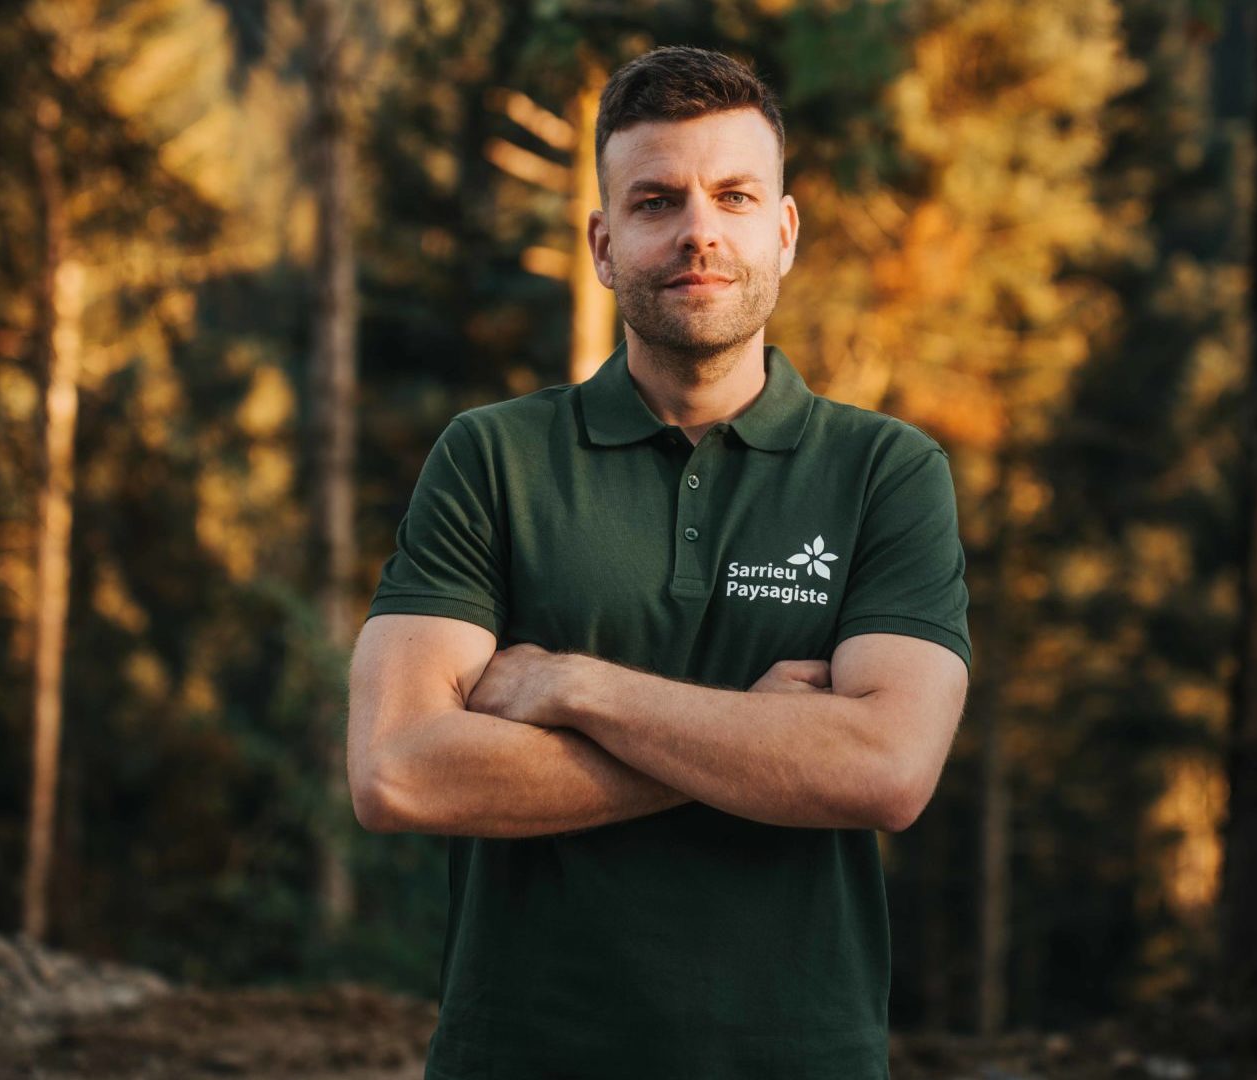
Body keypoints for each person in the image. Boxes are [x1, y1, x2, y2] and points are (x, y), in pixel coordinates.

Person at [349, 44, 971, 1080]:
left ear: (784, 232)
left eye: (734, 196)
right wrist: (764, 742)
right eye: (655, 201)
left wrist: (571, 686)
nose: (699, 232)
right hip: (522, 1057)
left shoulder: (885, 472)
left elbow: (886, 770)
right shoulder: (493, 457)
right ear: (603, 244)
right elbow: (398, 771)